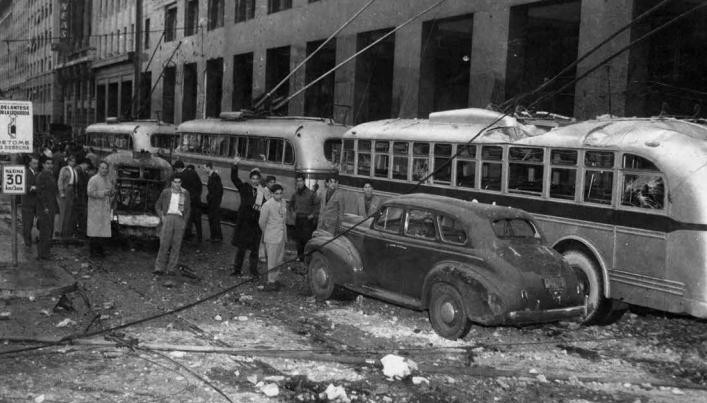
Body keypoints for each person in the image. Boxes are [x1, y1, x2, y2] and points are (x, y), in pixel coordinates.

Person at [230, 157, 263, 277]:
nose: (254, 181)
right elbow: (234, 179)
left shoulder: (262, 192)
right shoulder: (245, 188)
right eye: (253, 179)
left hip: (256, 224)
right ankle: (237, 270)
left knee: (254, 250)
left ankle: (254, 271)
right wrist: (235, 165)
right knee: (241, 248)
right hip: (245, 223)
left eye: (257, 179)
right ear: (250, 179)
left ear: (259, 180)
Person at [153, 173, 191, 275]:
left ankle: (171, 268)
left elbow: (187, 210)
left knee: (176, 245)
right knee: (164, 244)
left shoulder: (185, 193)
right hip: (168, 218)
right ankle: (159, 267)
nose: (177, 184)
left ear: (181, 183)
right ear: (171, 183)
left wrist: (184, 222)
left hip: (179, 218)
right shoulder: (166, 192)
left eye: (179, 182)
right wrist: (162, 216)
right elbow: (157, 205)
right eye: (175, 182)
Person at [259, 184, 287, 291]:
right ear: (271, 194)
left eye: (281, 193)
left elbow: (284, 218)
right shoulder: (267, 205)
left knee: (279, 260)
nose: (279, 196)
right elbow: (262, 222)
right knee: (271, 261)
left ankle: (276, 279)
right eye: (276, 194)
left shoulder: (283, 202)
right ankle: (270, 281)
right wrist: (267, 233)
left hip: (281, 236)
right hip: (272, 237)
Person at [87, 161, 115, 258]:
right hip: (95, 208)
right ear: (98, 168)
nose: (104, 170)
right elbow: (90, 192)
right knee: (94, 231)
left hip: (104, 208)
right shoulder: (93, 179)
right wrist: (103, 193)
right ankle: (92, 252)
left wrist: (111, 193)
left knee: (103, 231)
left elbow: (111, 191)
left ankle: (100, 251)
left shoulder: (108, 179)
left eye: (105, 168)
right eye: (102, 168)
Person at [290, 173, 318, 261]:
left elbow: (317, 206)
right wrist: (292, 212)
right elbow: (290, 204)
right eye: (297, 181)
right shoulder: (295, 194)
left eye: (301, 181)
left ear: (304, 181)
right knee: (298, 240)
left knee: (306, 240)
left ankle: (307, 258)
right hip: (298, 219)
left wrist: (313, 215)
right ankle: (299, 257)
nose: (299, 183)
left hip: (307, 220)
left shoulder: (311, 193)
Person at [36, 156, 59, 260]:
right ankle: (42, 253)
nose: (50, 165)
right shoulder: (41, 176)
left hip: (51, 206)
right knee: (45, 230)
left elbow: (53, 192)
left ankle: (46, 252)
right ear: (43, 165)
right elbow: (40, 193)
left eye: (51, 163)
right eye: (48, 163)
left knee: (49, 230)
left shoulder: (50, 175)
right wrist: (45, 206)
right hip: (44, 208)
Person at [178, 162, 203, 242]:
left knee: (188, 218)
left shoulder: (182, 176)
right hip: (196, 200)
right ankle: (200, 237)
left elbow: (182, 191)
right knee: (197, 219)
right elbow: (200, 185)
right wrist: (197, 195)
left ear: (178, 168)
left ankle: (187, 235)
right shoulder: (193, 172)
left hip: (188, 201)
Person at [57, 154, 79, 238]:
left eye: (74, 161)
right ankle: (61, 230)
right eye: (72, 161)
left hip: (72, 190)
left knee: (70, 212)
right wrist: (61, 191)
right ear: (68, 161)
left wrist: (76, 193)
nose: (73, 163)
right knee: (64, 210)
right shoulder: (64, 169)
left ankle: (67, 230)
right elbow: (60, 180)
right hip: (66, 189)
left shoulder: (75, 170)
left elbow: (76, 183)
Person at [21, 156, 39, 248]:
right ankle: (27, 243)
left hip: (35, 202)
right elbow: (26, 186)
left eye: (37, 163)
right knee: (27, 224)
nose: (36, 165)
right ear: (30, 164)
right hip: (27, 202)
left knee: (32, 223)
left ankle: (30, 240)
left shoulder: (36, 173)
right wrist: (33, 187)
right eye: (34, 163)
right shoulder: (26, 173)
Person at [74, 159, 93, 238]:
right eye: (87, 167)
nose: (87, 169)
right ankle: (81, 232)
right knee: (81, 215)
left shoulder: (80, 171)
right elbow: (80, 184)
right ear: (84, 164)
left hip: (81, 196)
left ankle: (81, 231)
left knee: (82, 215)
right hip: (80, 196)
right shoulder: (78, 170)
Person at [205, 162, 223, 242]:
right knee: (213, 219)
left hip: (214, 202)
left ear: (209, 167)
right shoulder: (213, 176)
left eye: (204, 168)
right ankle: (214, 236)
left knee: (214, 219)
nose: (204, 170)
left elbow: (218, 190)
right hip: (213, 201)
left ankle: (216, 236)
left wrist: (211, 198)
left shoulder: (214, 177)